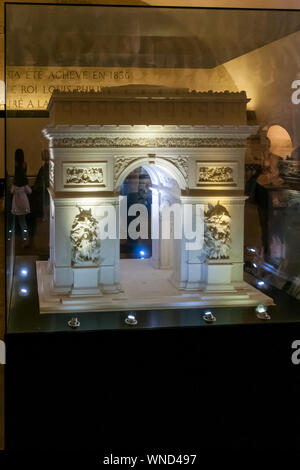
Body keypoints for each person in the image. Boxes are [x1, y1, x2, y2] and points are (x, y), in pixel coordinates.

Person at [11, 149, 32, 246]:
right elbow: (30, 191)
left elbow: (11, 191)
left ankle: (18, 239)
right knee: (24, 223)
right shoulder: (24, 183)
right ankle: (25, 239)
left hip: (16, 205)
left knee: (19, 222)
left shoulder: (15, 185)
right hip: (24, 203)